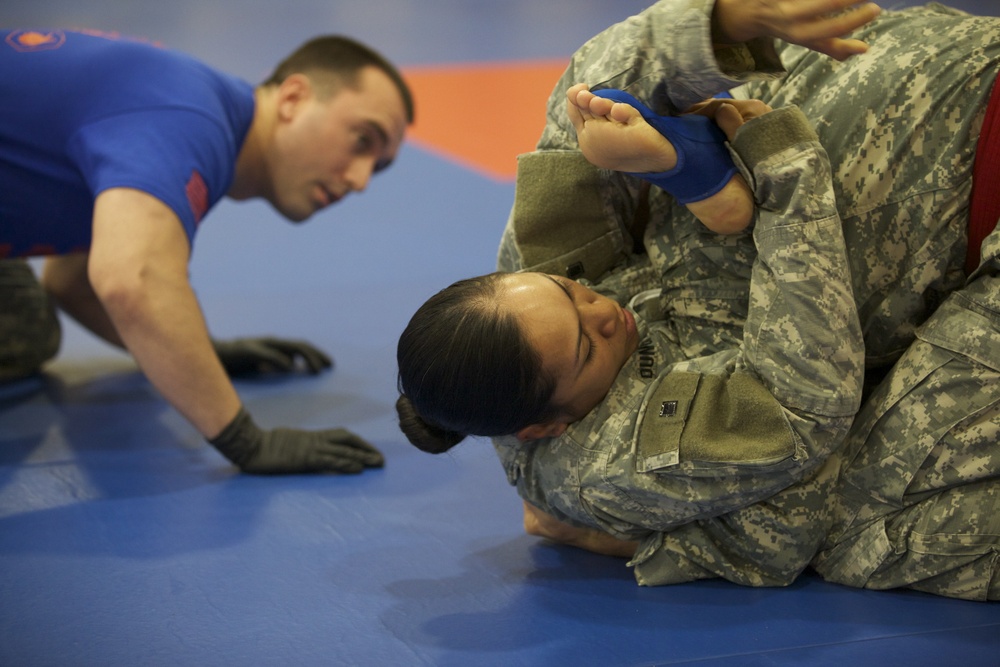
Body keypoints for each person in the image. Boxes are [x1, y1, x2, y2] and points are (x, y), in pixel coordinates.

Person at [399, 0, 1000, 599]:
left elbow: (573, 110)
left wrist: (718, 24)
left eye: (573, 291)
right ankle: (704, 176)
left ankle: (702, 174)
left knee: (851, 531)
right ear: (545, 427)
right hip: (929, 111)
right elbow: (803, 412)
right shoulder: (600, 462)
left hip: (914, 85)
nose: (607, 312)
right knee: (850, 527)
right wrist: (786, 174)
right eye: (588, 346)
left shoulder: (524, 309)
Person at [0, 29, 414, 474]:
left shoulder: (190, 107)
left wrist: (207, 354)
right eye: (362, 141)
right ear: (293, 98)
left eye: (379, 165)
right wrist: (246, 440)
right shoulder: (189, 118)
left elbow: (73, 283)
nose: (361, 180)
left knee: (26, 329)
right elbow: (131, 280)